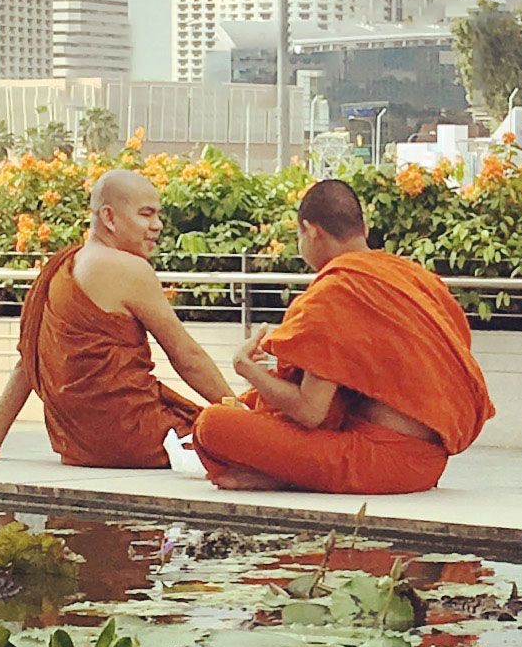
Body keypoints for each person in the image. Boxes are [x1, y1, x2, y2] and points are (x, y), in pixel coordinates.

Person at [190, 179, 494, 493]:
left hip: (381, 460)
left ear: (310, 231)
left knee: (211, 425)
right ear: (364, 227)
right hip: (430, 461)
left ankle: (284, 478)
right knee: (250, 403)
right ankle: (282, 476)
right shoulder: (418, 278)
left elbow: (311, 412)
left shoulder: (335, 291)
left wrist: (246, 368)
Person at [0, 170, 235, 467]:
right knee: (237, 443)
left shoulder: (59, 267)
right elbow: (186, 356)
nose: (157, 226)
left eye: (159, 215)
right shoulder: (129, 268)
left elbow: (25, 366)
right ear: (109, 217)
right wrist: (238, 411)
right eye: (146, 214)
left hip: (79, 447)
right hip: (137, 436)